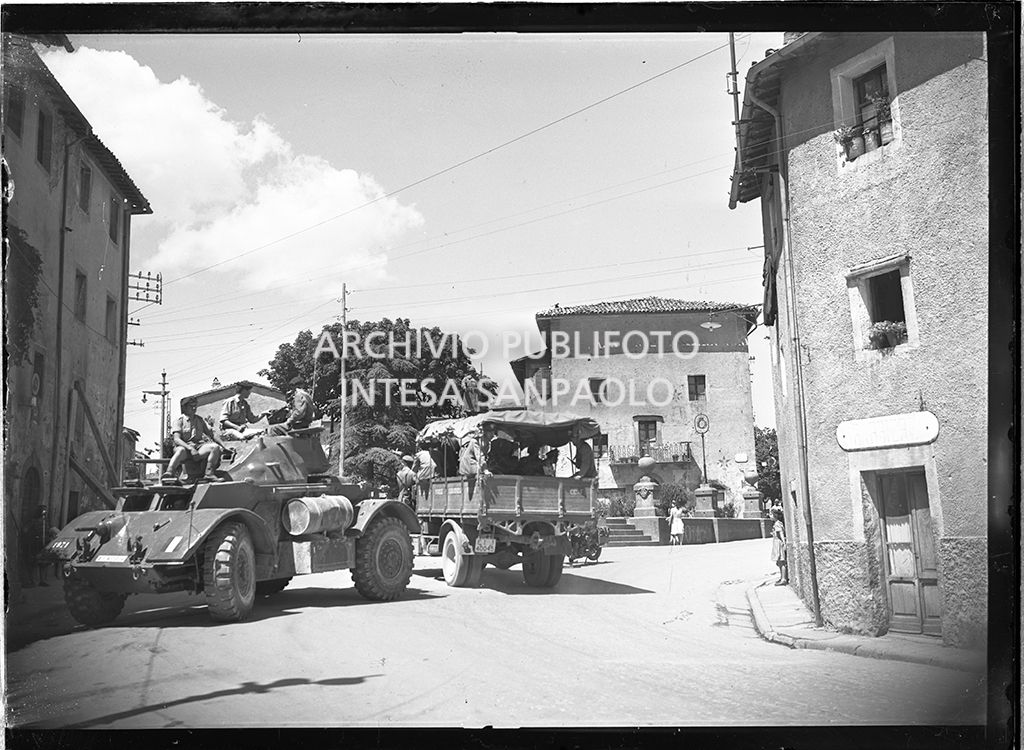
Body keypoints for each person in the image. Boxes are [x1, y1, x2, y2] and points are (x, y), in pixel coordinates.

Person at [163, 396, 226, 481]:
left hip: (198, 447)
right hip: (184, 448)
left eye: (195, 406)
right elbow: (177, 439)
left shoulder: (200, 420)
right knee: (180, 450)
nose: (194, 408)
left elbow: (212, 434)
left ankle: (209, 474)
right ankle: (169, 473)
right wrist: (190, 448)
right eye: (191, 406)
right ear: (184, 408)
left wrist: (224, 446)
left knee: (214, 447)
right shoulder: (179, 421)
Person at [459, 431, 483, 499]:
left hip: (467, 467)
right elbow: (479, 456)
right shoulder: (474, 442)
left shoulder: (470, 443)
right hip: (470, 467)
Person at [771, 507, 788, 585]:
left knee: (781, 561)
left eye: (771, 514)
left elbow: (781, 533)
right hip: (778, 543)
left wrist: (784, 543)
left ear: (775, 516)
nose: (770, 516)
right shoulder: (778, 523)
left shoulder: (777, 524)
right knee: (779, 562)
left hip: (778, 544)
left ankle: (783, 578)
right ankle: (782, 577)